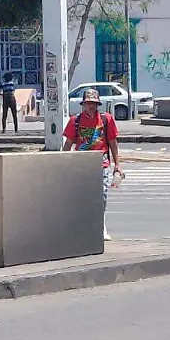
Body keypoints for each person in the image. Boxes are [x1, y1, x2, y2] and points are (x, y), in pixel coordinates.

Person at [63, 88, 121, 241]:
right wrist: (62, 162)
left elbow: (113, 142)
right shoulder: (75, 121)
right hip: (81, 163)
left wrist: (117, 164)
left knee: (102, 195)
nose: (91, 106)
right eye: (88, 103)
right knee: (81, 197)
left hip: (101, 162)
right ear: (83, 104)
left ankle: (101, 226)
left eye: (94, 103)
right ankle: (83, 227)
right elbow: (68, 143)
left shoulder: (106, 119)